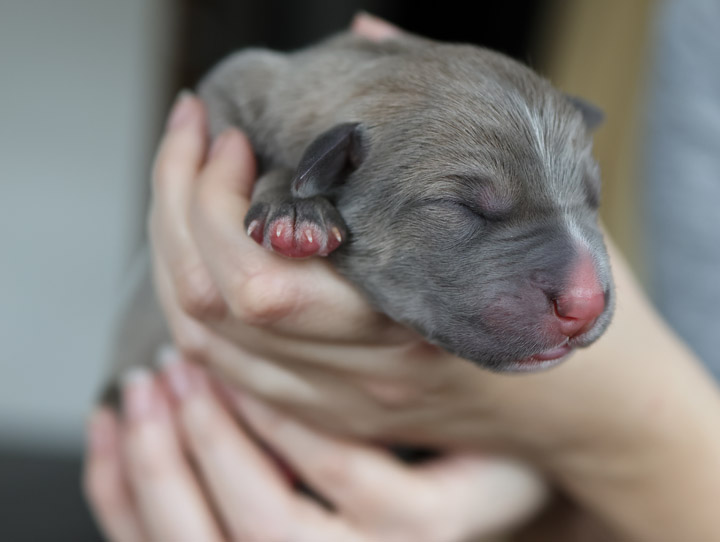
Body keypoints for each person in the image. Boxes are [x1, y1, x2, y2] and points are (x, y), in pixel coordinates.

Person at [85, 14, 720, 542]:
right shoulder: (264, 101)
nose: (588, 291)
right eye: (471, 209)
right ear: (333, 164)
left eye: (588, 201)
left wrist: (605, 437)